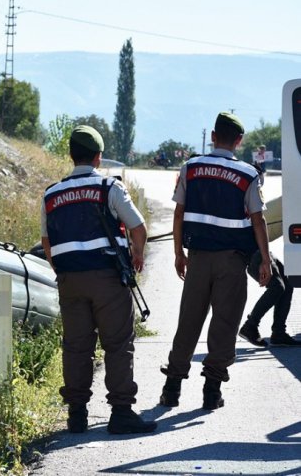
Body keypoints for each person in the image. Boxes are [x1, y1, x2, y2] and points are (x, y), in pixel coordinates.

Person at [41, 125, 157, 435]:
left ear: (70, 155)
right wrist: (137, 256)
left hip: (69, 280)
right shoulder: (110, 187)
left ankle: (77, 415)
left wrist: (62, 273)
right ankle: (121, 412)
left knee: (76, 347)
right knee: (117, 344)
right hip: (107, 278)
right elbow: (139, 228)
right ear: (98, 157)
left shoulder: (51, 194)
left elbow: (47, 243)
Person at [159, 112, 271, 411]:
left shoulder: (190, 168)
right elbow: (258, 220)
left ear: (212, 136)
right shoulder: (248, 174)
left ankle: (171, 389)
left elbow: (178, 213)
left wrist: (178, 253)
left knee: (189, 322)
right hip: (231, 263)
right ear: (238, 141)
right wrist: (266, 260)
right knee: (224, 324)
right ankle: (211, 391)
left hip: (197, 259)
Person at [239, 251, 300, 346]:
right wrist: (265, 261)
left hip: (265, 252)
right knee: (277, 287)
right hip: (254, 254)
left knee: (287, 285)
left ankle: (279, 333)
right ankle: (250, 326)